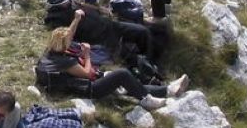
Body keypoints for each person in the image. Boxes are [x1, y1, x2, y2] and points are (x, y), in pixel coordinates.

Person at [35, 19, 186, 108]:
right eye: (69, 40)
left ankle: (169, 90)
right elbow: (86, 73)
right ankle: (146, 100)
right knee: (122, 74)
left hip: (83, 83)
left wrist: (76, 19)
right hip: (90, 89)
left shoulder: (51, 53)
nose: (71, 41)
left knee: (128, 84)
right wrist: (87, 55)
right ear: (63, 43)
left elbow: (69, 33)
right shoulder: (66, 62)